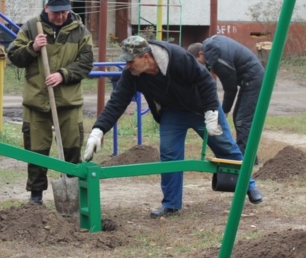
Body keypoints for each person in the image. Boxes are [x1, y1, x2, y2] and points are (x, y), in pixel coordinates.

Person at [83, 35, 262, 219]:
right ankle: (171, 204)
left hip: (201, 108)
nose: (127, 66)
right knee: (169, 154)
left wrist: (210, 112)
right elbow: (117, 102)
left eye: (130, 61)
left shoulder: (176, 57)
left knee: (225, 146)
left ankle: (250, 186)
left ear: (145, 57)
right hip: (172, 113)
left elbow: (205, 80)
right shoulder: (132, 75)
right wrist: (98, 130)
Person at [7, 0, 94, 205]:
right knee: (36, 150)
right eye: (56, 12)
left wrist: (63, 75)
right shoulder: (30, 27)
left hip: (68, 102)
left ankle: (73, 193)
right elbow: (14, 56)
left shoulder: (80, 31)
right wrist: (33, 47)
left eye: (64, 12)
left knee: (72, 148)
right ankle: (36, 196)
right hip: (37, 101)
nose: (61, 16)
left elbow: (86, 62)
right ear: (47, 8)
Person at [187, 36, 265, 176]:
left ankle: (245, 159)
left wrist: (224, 111)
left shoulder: (216, 58)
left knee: (243, 119)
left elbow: (230, 88)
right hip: (248, 78)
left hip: (253, 79)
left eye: (197, 63)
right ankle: (250, 156)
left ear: (200, 53)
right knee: (239, 118)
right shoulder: (211, 49)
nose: (199, 67)